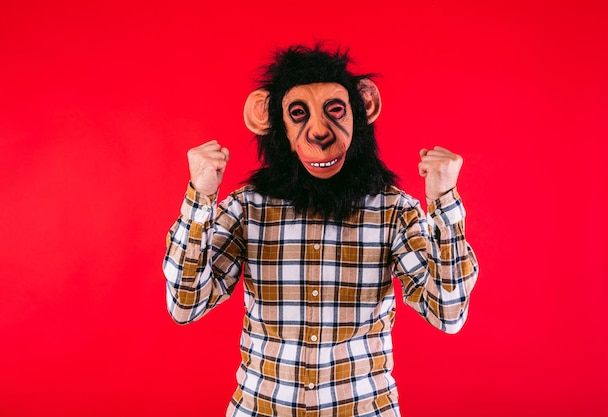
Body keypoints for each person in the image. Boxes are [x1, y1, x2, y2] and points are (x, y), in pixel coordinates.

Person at [163, 44, 479, 417]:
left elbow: (447, 312)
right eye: (298, 113)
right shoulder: (248, 207)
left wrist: (443, 201)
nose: (319, 133)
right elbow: (186, 304)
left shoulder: (393, 210)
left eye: (336, 110)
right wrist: (200, 197)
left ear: (365, 107)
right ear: (269, 118)